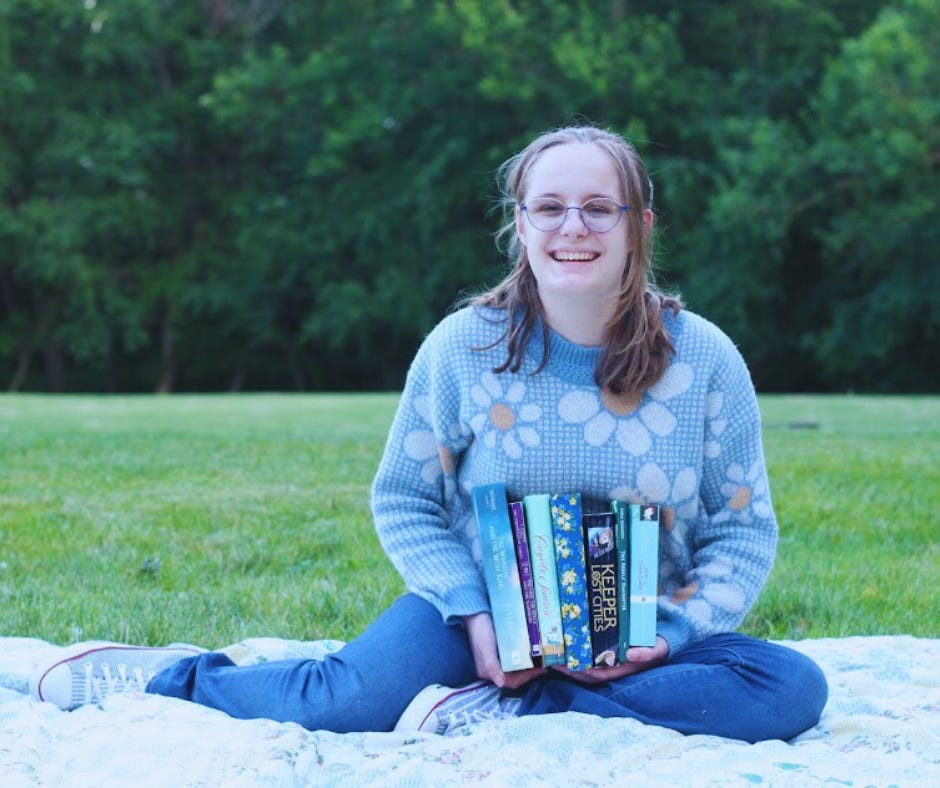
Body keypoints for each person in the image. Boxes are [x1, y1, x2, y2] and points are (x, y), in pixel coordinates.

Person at [29, 125, 828, 743]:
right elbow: (405, 500)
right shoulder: (465, 348)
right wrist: (473, 615)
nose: (573, 227)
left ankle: (516, 706)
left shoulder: (703, 358)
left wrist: (670, 633)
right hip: (477, 615)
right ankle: (173, 679)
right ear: (520, 223)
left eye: (598, 208)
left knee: (792, 689)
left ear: (637, 225)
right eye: (549, 207)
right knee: (345, 700)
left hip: (642, 636)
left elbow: (742, 530)